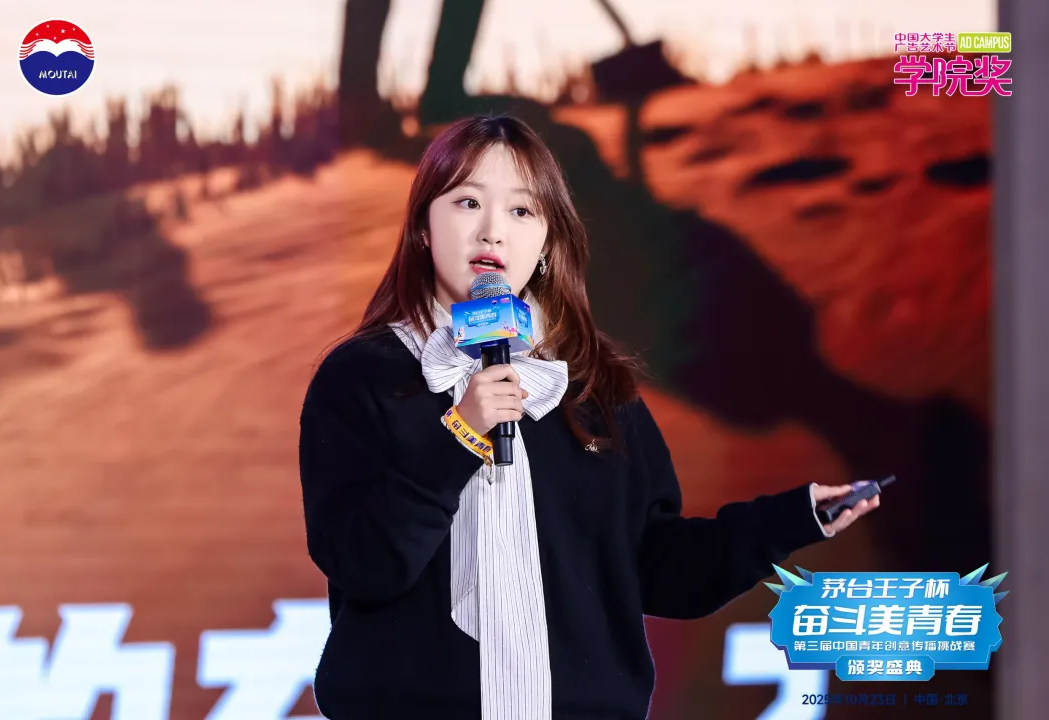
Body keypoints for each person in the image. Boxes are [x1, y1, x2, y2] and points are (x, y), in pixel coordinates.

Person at [298, 114, 879, 720]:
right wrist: (460, 435)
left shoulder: (593, 387)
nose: (492, 230)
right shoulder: (363, 378)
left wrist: (790, 520)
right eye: (467, 202)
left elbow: (656, 568)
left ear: (547, 243)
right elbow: (366, 565)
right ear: (423, 226)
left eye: (521, 210)